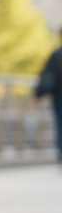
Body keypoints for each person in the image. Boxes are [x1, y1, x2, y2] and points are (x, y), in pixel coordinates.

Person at [35, 35, 62, 163]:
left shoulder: (57, 55)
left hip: (59, 99)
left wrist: (38, 94)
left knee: (60, 126)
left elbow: (47, 76)